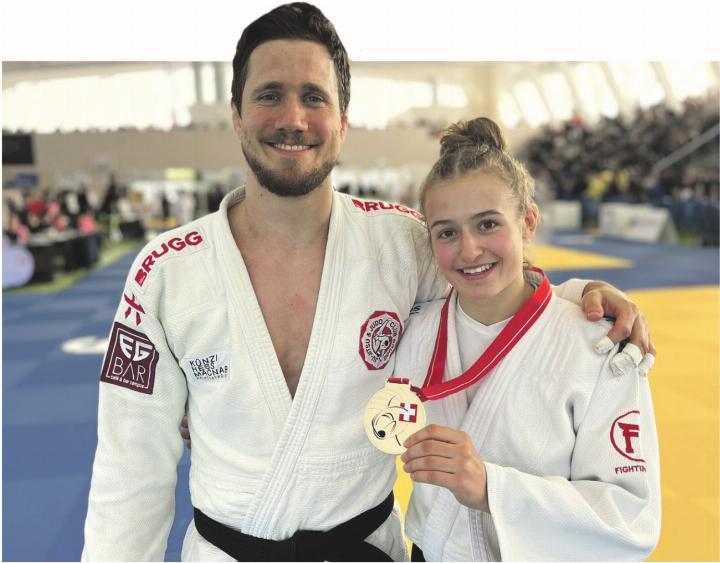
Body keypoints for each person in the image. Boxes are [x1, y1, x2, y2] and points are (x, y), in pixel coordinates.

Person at [82, 3, 654, 561]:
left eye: (314, 97)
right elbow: (130, 466)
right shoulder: (166, 270)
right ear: (236, 114)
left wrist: (581, 299)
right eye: (269, 95)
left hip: (366, 550)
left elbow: (498, 289)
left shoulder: (403, 244)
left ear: (343, 122)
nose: (293, 119)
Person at [396, 117, 660, 561]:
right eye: (446, 232)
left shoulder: (600, 342)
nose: (469, 250)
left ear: (529, 223)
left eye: (487, 224)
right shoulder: (412, 333)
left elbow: (630, 516)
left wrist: (491, 488)